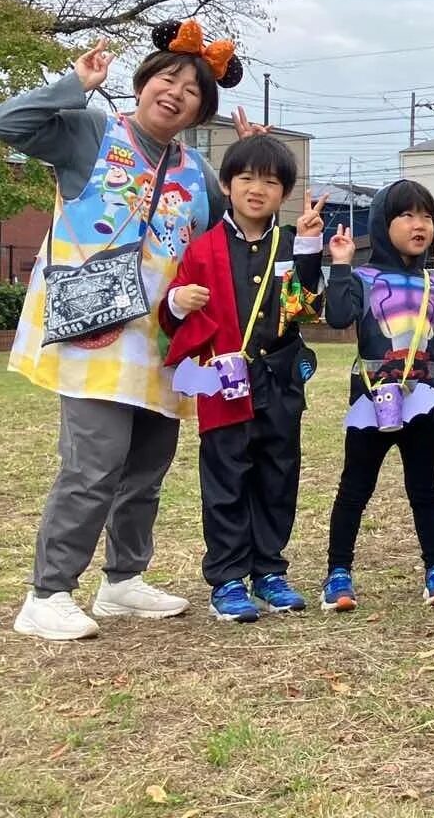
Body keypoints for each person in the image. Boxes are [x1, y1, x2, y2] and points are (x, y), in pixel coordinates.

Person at [0, 19, 259, 641]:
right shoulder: (91, 131)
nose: (176, 93)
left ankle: (122, 580)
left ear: (201, 111)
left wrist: (248, 167)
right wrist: (75, 84)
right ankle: (48, 592)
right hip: (94, 331)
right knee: (94, 466)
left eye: (192, 91)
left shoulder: (197, 171)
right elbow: (7, 125)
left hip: (164, 336)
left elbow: (225, 235)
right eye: (168, 79)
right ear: (143, 82)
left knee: (146, 468)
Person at [159, 137, 325, 623]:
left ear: (284, 193)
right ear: (226, 186)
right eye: (246, 178)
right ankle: (228, 577)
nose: (257, 189)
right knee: (226, 479)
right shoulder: (203, 247)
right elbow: (171, 316)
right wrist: (176, 303)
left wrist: (311, 248)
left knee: (278, 476)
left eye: (270, 182)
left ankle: (269, 570)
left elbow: (307, 308)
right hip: (224, 383)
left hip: (279, 382)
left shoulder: (291, 243)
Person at [320, 180, 434, 612]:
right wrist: (341, 266)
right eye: (407, 215)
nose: (419, 224)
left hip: (422, 402)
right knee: (354, 487)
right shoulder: (364, 279)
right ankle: (338, 572)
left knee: (425, 489)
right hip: (371, 402)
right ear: (384, 224)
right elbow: (338, 317)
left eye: (426, 216)